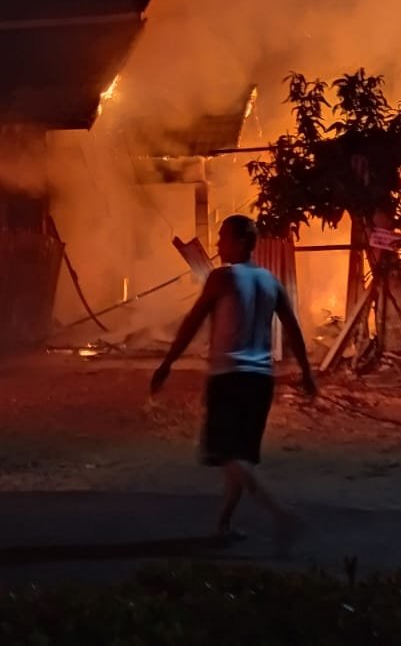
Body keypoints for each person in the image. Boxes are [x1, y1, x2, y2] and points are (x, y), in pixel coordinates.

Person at [150, 214, 317, 552]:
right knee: (240, 457)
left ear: (241, 241)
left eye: (224, 237)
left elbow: (192, 322)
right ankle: (223, 525)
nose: (217, 243)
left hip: (229, 377)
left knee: (227, 454)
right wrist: (307, 373)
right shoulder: (270, 281)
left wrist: (167, 363)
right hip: (261, 381)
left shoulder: (222, 277)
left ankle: (282, 516)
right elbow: (294, 330)